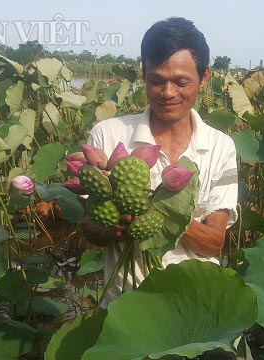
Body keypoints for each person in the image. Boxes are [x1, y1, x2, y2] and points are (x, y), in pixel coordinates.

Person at [83, 17, 239, 306]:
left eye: (181, 82)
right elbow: (91, 226)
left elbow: (213, 243)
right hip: (127, 303)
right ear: (144, 75)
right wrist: (118, 221)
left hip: (198, 300)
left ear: (204, 77)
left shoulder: (221, 147)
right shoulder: (109, 135)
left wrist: (157, 211)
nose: (167, 93)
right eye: (156, 80)